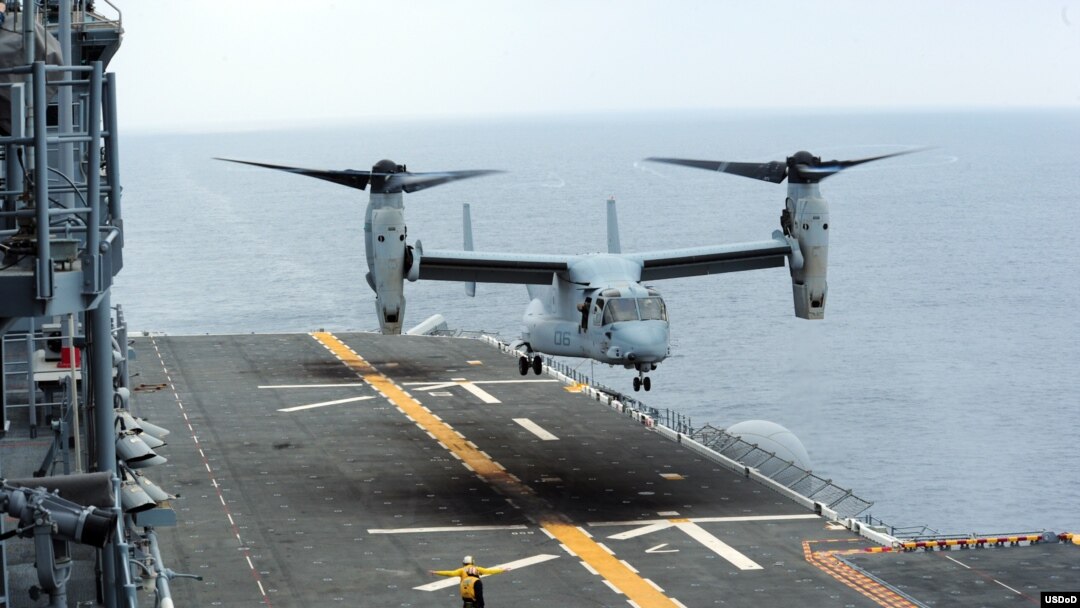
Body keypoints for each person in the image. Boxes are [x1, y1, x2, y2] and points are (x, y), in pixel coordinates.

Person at [429, 555, 510, 607]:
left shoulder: (462, 570)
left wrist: (437, 572)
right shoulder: (477, 569)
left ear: (464, 563)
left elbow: (450, 573)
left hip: (465, 595)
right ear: (472, 562)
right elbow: (489, 571)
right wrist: (502, 570)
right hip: (474, 593)